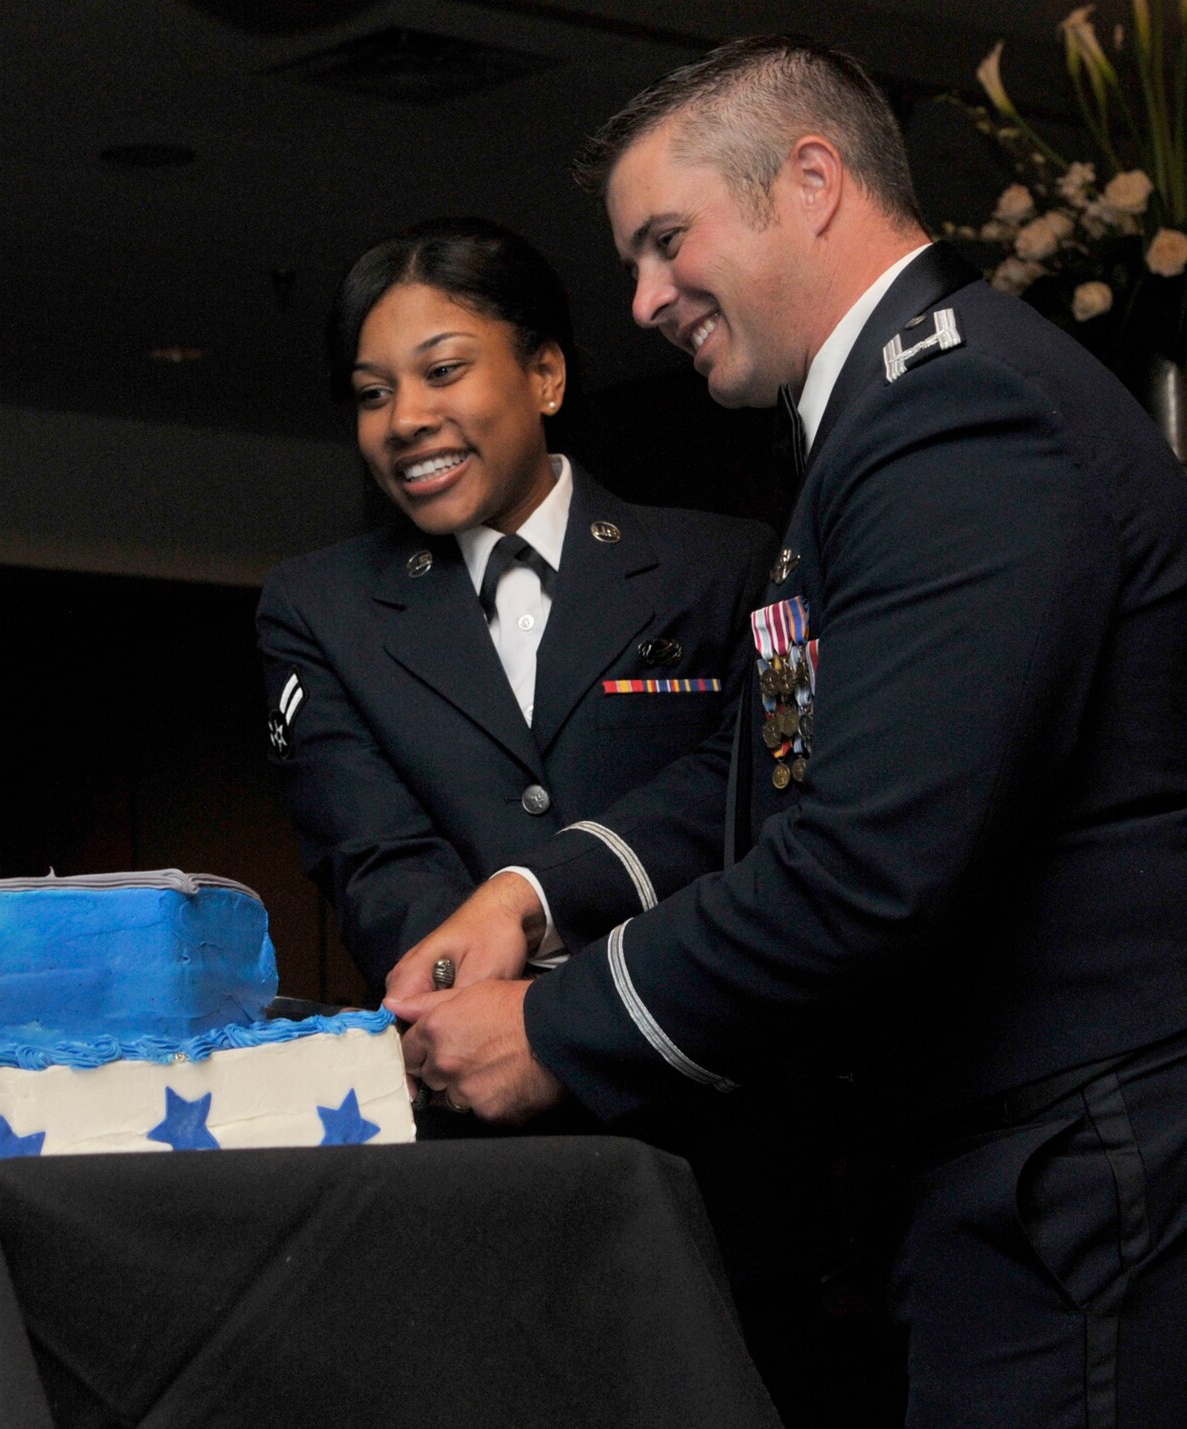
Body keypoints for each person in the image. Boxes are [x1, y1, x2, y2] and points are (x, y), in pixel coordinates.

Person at [386, 36, 1187, 1427]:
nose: (641, 299)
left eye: (666, 239)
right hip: (1013, 1148)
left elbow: (866, 863)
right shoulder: (892, 414)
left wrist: (556, 1029)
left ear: (810, 180)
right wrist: (534, 892)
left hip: (1073, 1146)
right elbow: (771, 764)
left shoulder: (956, 413)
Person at [257, 217, 774, 997]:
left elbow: (741, 806)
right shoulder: (322, 607)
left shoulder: (720, 569)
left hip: (698, 1050)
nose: (404, 420)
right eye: (373, 393)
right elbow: (374, 857)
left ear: (546, 377)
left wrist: (565, 988)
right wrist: (486, 1005)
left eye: (444, 370)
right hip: (466, 1065)